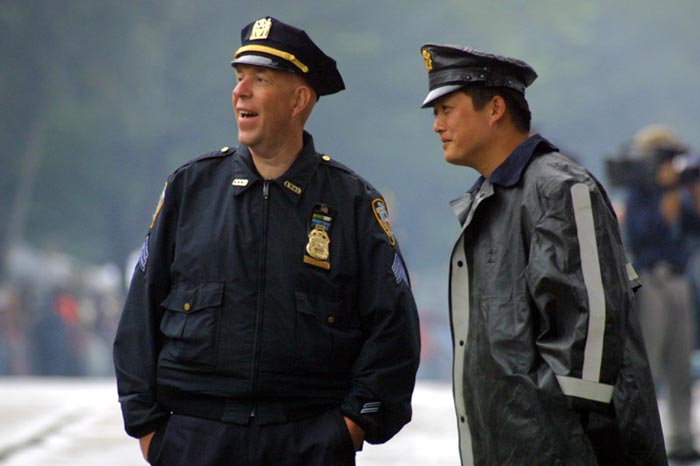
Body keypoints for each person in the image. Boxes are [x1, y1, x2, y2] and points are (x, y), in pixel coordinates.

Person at [113, 17, 421, 466]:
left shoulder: (353, 203)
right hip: (195, 440)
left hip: (308, 441)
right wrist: (150, 432)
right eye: (239, 78)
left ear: (299, 99)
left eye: (260, 80)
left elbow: (395, 331)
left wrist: (352, 425)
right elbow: (138, 319)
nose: (240, 92)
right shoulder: (190, 189)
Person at [419, 44, 667, 465]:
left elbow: (591, 341)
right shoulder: (493, 197)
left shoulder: (560, 188)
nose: (437, 125)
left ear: (495, 108)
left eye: (446, 109)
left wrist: (551, 433)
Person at [623, 124, 700, 461]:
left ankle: (683, 438)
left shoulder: (681, 191)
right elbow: (646, 232)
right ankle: (644, 438)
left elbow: (694, 226)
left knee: (681, 364)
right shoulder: (640, 193)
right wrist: (669, 190)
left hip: (680, 278)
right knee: (650, 362)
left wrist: (690, 188)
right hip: (652, 278)